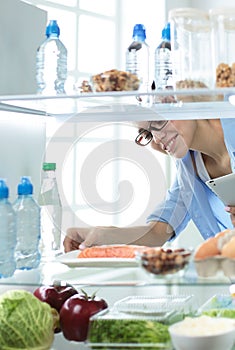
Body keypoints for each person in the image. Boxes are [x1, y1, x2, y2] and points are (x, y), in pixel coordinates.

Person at [63, 117, 235, 253]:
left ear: (187, 101)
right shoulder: (188, 167)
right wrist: (100, 236)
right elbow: (157, 232)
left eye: (159, 121)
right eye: (148, 134)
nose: (158, 139)